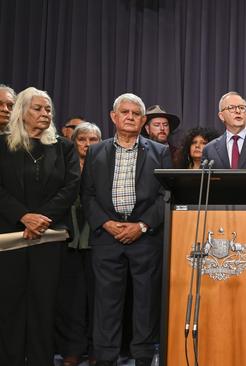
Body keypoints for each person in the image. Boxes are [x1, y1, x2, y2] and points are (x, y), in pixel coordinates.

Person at [81, 93, 172, 366]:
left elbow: (167, 195)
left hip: (145, 238)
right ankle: (106, 358)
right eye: (125, 112)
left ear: (143, 121)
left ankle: (144, 358)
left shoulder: (161, 152)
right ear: (114, 117)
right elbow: (87, 195)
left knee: (145, 304)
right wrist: (106, 223)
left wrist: (142, 225)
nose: (130, 117)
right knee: (106, 305)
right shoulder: (96, 151)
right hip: (107, 237)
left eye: (136, 113)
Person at [0, 87, 80, 365]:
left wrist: (41, 218)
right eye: (38, 108)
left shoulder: (64, 147)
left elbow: (71, 187)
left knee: (44, 307)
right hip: (10, 237)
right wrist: (23, 216)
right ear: (21, 112)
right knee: (9, 306)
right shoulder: (2, 144)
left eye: (48, 109)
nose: (45, 114)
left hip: (49, 238)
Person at [56, 122, 102, 366]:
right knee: (70, 300)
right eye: (82, 139)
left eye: (93, 140)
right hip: (70, 240)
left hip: (98, 241)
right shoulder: (65, 167)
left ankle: (97, 349)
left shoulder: (105, 166)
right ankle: (72, 350)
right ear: (74, 143)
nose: (87, 144)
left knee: (98, 299)